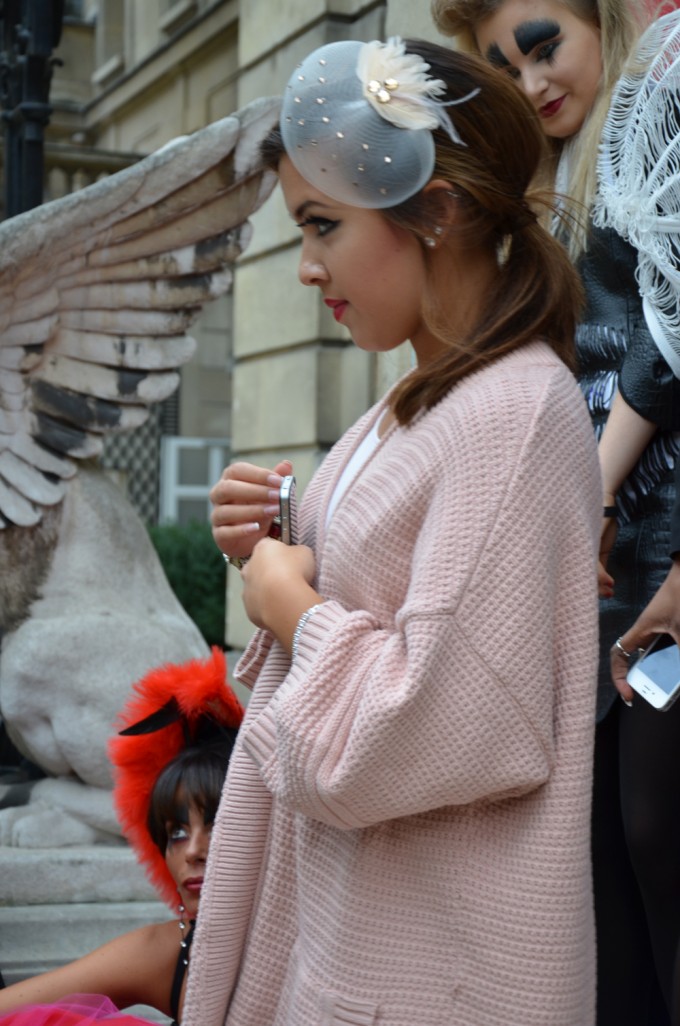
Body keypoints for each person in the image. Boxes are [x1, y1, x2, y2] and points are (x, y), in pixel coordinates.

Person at [180, 37, 601, 1026]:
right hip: (363, 928)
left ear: (439, 209)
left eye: (321, 225)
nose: (305, 267)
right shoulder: (414, 404)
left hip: (430, 963)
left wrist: (291, 605)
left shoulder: (509, 413)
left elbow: (442, 719)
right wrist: (274, 537)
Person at [430, 3, 680, 1022]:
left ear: (600, 26)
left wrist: (591, 488)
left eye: (543, 45)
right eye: (500, 65)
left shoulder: (648, 124)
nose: (528, 81)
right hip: (593, 572)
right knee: (599, 860)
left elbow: (666, 340)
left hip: (653, 555)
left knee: (655, 834)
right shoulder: (547, 194)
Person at [0, 647, 243, 1026]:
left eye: (219, 824)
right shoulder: (166, 952)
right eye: (176, 833)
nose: (193, 851)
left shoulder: (320, 932)